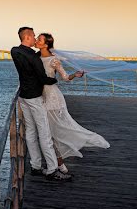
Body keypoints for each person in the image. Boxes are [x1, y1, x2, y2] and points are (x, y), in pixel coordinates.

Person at [35, 33, 110, 174]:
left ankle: (60, 165)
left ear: (45, 44)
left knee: (53, 133)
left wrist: (75, 75)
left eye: (39, 39)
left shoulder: (54, 60)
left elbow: (64, 77)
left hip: (53, 98)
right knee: (49, 134)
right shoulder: (35, 57)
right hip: (40, 97)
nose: (36, 41)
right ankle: (60, 165)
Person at [10, 26, 72, 182]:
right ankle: (52, 170)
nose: (35, 38)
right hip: (35, 98)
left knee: (30, 132)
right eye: (33, 36)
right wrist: (54, 79)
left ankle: (36, 166)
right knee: (44, 134)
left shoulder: (15, 51)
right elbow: (44, 78)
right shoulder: (33, 57)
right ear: (28, 36)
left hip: (23, 96)